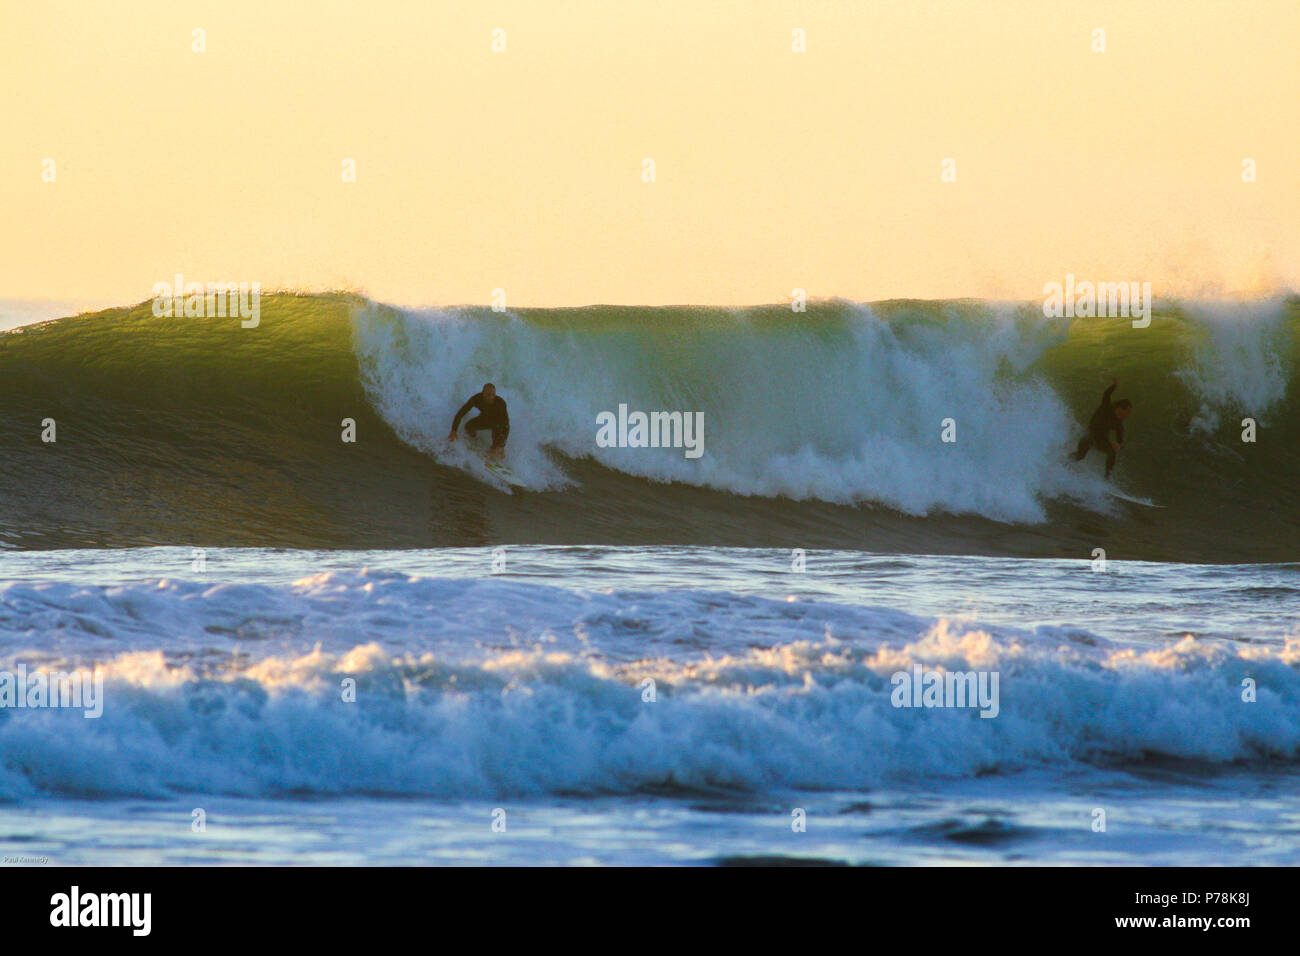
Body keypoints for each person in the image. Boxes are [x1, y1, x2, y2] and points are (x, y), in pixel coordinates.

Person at [1071, 377, 1132, 478]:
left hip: (1101, 440)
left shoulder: (1118, 422)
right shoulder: (1107, 407)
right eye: (1127, 412)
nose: (1128, 415)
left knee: (1112, 452)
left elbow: (1120, 436)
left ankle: (1107, 477)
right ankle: (1063, 462)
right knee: (1080, 456)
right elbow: (1106, 395)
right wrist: (1113, 386)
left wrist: (1118, 444)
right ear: (1120, 408)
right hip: (1090, 434)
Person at [448, 383, 509, 459]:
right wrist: (454, 430)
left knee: (498, 427)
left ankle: (495, 451)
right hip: (484, 419)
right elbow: (461, 413)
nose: (491, 397)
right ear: (483, 393)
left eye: (493, 395)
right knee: (468, 426)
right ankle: (474, 440)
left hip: (497, 424)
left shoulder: (500, 403)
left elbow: (506, 425)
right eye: (488, 395)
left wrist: (501, 445)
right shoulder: (476, 399)